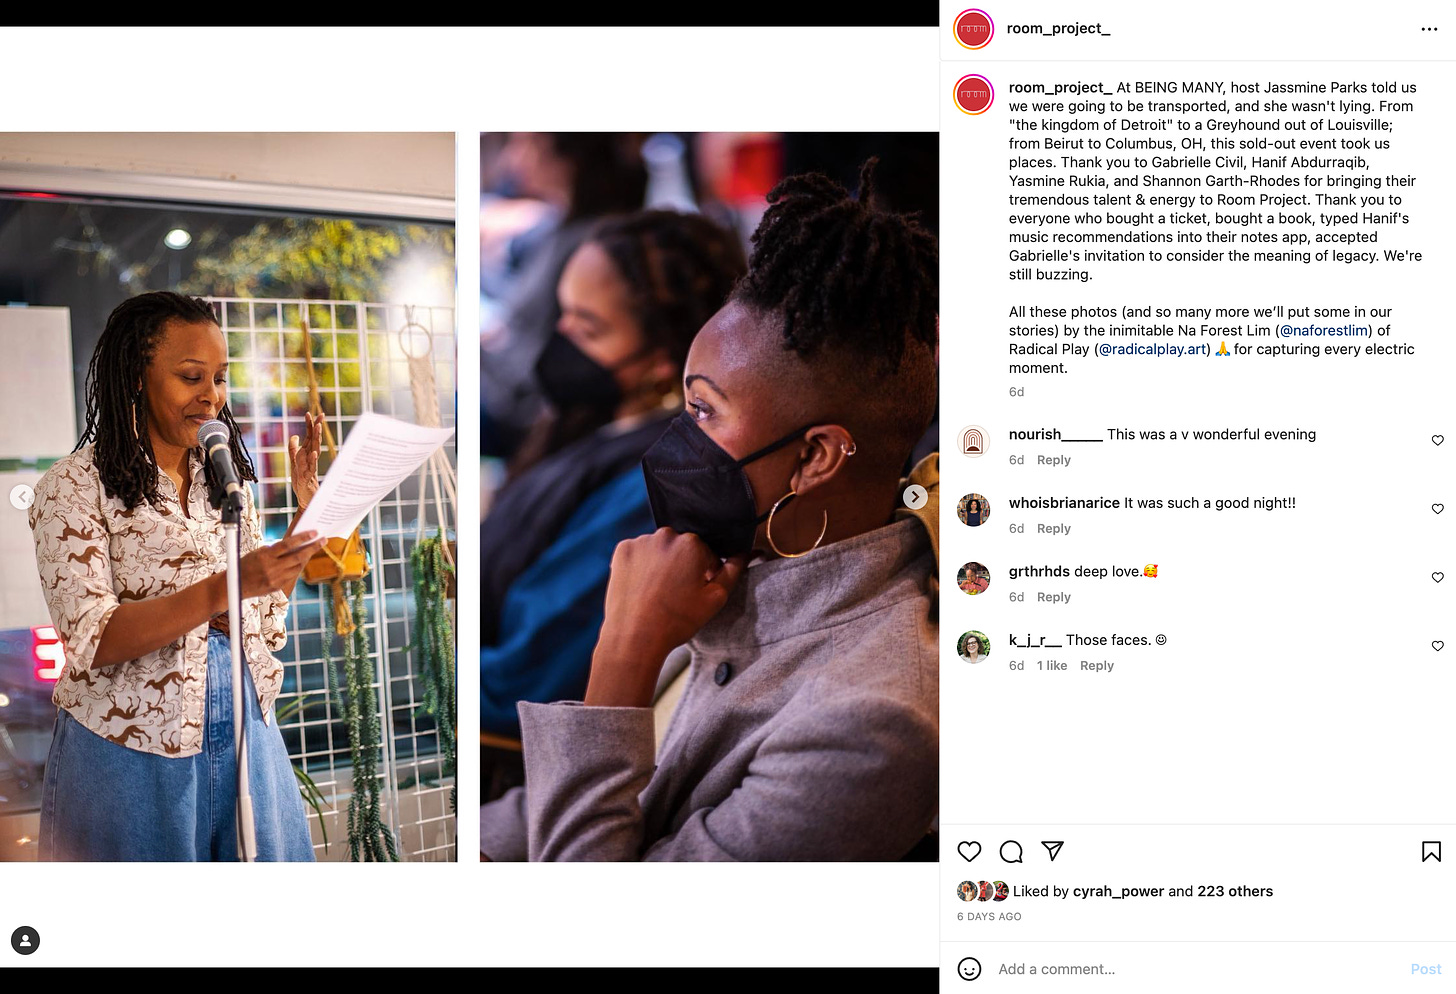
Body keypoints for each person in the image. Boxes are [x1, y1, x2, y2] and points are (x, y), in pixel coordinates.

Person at [480, 157, 940, 861]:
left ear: (816, 457)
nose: (678, 439)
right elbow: (542, 811)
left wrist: (624, 654)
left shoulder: (871, 721)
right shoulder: (742, 568)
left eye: (703, 411)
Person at [28, 291, 326, 861]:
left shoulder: (227, 484)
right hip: (127, 748)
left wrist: (307, 514)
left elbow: (259, 616)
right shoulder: (73, 487)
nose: (211, 397)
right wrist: (224, 585)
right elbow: (94, 637)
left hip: (245, 729)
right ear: (136, 377)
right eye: (191, 376)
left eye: (219, 377)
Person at [480, 210, 746, 741]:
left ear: (663, 360)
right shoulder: (592, 424)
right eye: (563, 314)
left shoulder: (647, 490)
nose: (561, 339)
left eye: (589, 327)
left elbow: (529, 676)